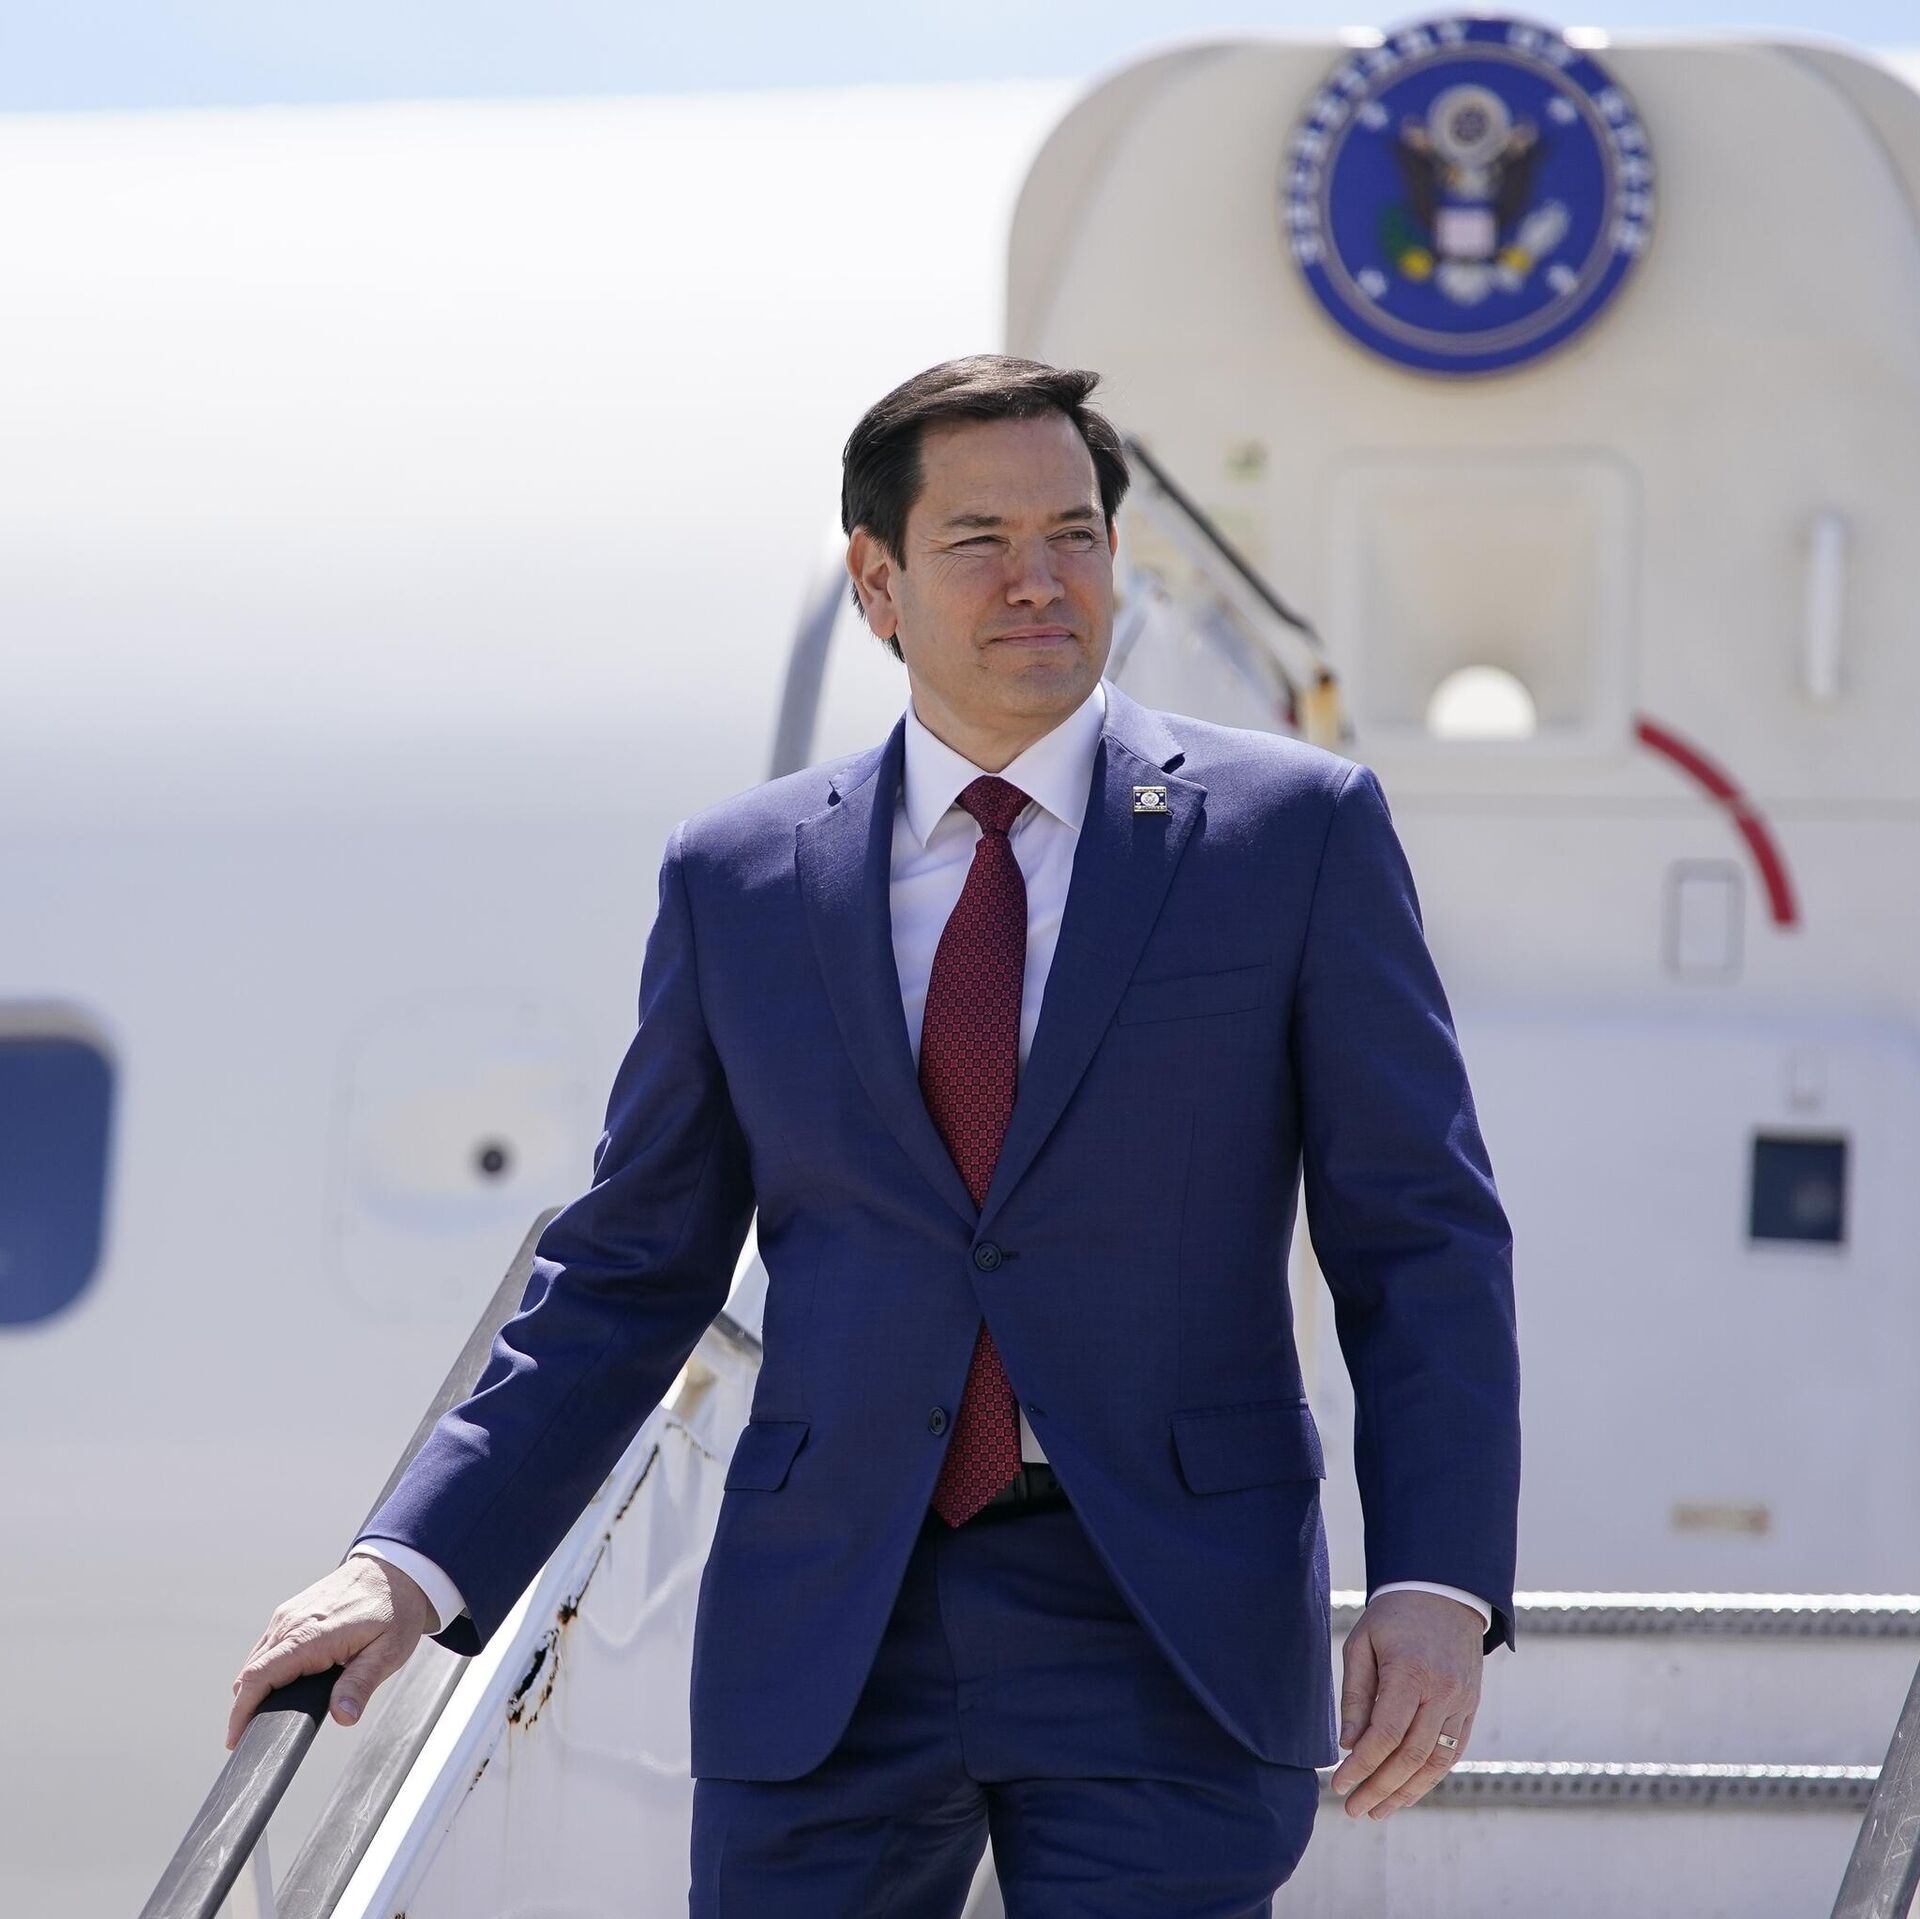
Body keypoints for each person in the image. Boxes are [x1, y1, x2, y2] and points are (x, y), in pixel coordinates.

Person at [228, 354, 1520, 1915]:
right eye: (982, 540)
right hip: (832, 1623)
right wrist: (409, 1564)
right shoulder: (741, 878)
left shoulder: (1290, 835)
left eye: (1076, 534)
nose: (1040, 579)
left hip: (1166, 1617)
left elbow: (1419, 1235)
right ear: (877, 580)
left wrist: (1438, 1582)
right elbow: (634, 1263)